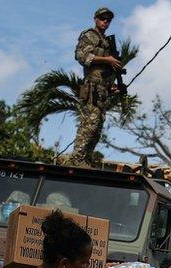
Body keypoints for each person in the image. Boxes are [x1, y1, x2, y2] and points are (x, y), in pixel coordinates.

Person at [71, 7, 121, 166]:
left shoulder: (106, 41)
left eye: (108, 20)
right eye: (102, 18)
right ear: (95, 18)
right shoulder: (89, 35)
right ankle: (76, 159)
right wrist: (107, 59)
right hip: (91, 87)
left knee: (97, 127)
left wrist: (112, 86)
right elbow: (82, 56)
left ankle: (86, 158)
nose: (105, 22)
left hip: (102, 89)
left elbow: (104, 72)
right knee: (89, 124)